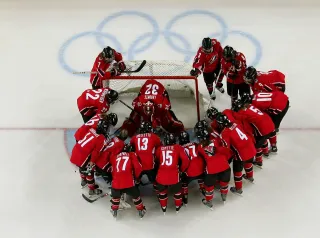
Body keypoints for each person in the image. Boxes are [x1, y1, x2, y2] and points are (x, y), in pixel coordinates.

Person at [215, 113, 256, 195]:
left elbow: (226, 148)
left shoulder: (224, 133)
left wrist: (217, 149)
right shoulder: (235, 123)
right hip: (251, 147)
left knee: (237, 170)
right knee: (248, 162)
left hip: (241, 153)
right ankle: (250, 176)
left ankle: (238, 188)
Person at [70, 119, 110, 196]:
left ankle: (83, 180)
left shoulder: (91, 129)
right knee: (89, 172)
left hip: (76, 150)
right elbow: (96, 152)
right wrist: (92, 162)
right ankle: (92, 189)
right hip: (83, 156)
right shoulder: (101, 138)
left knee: (81, 167)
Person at [232, 99, 276, 167]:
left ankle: (259, 161)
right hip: (270, 122)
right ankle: (266, 151)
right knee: (262, 139)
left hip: (263, 129)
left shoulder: (241, 113)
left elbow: (244, 124)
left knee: (256, 145)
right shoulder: (250, 106)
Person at [108, 144, 146, 219]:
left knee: (115, 196)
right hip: (128, 182)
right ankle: (141, 210)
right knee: (136, 195)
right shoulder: (131, 154)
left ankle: (114, 210)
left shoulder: (115, 156)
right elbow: (138, 167)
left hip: (116, 182)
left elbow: (112, 170)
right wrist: (136, 177)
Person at [154, 133, 190, 214]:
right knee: (177, 191)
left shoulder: (159, 149)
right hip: (174, 175)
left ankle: (163, 207)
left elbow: (156, 160)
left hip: (161, 175)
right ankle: (177, 206)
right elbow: (186, 160)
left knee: (162, 192)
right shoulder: (178, 147)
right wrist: (182, 170)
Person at [197, 129, 231, 206]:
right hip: (224, 165)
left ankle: (209, 202)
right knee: (224, 183)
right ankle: (224, 196)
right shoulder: (215, 140)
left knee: (209, 186)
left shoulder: (199, 147)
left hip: (211, 169)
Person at [130, 121, 161, 186]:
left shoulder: (134, 138)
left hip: (138, 165)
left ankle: (136, 181)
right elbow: (160, 148)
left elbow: (130, 148)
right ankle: (156, 185)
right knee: (155, 179)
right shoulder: (154, 137)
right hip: (150, 165)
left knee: (135, 177)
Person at [178, 131, 205, 205]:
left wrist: (182, 170)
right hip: (201, 170)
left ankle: (185, 196)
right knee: (201, 176)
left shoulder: (180, 148)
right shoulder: (195, 144)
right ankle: (203, 188)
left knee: (184, 181)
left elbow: (183, 162)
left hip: (189, 173)